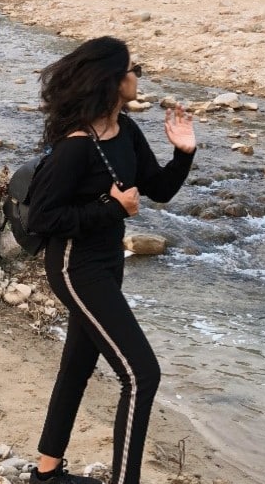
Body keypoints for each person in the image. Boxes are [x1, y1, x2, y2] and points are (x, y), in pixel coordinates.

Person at [26, 36, 197, 484]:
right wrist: (111, 208)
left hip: (107, 263)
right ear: (114, 80)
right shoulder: (76, 145)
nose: (138, 75)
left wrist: (184, 153)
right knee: (142, 374)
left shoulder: (126, 131)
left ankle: (47, 474)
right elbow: (44, 217)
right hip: (74, 266)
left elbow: (159, 188)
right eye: (133, 68)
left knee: (78, 365)